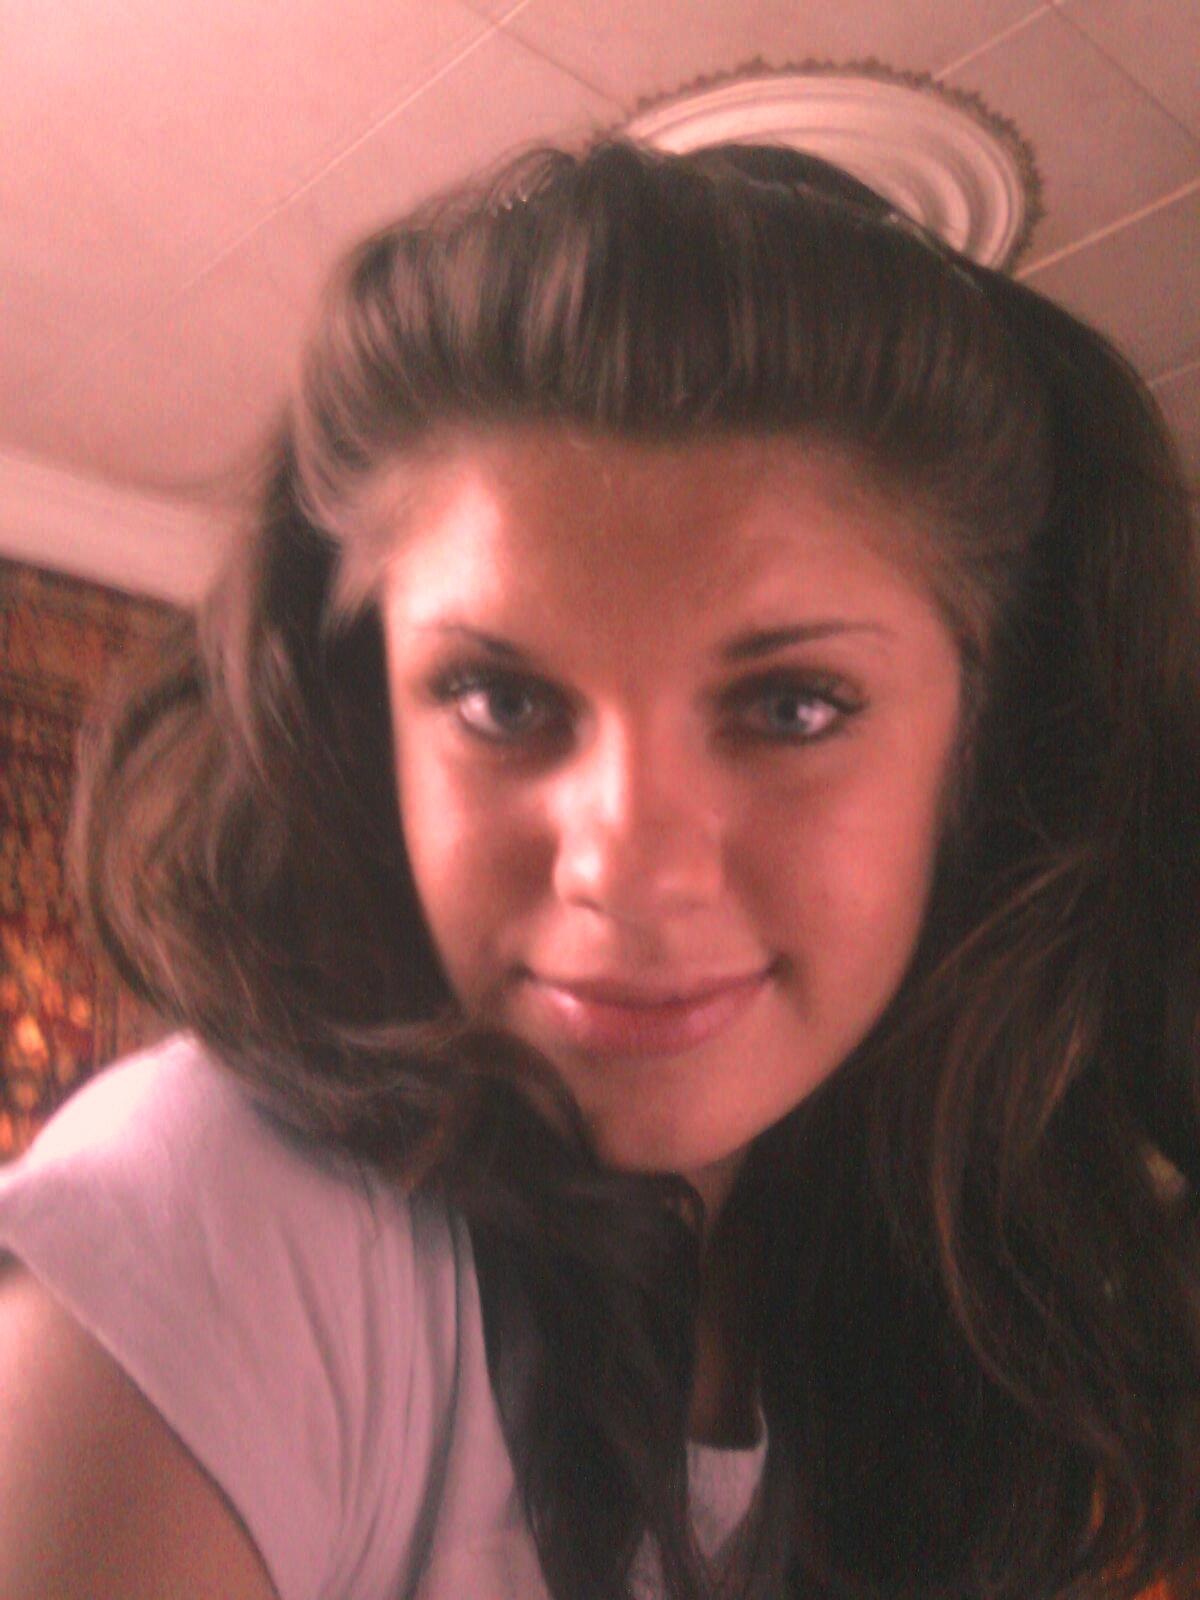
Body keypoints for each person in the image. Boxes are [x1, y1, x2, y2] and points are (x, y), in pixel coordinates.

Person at [0, 138, 1196, 1600]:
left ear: (979, 751)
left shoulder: (959, 1286)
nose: (624, 871)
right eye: (501, 701)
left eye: (791, 708)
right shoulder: (219, 1225)